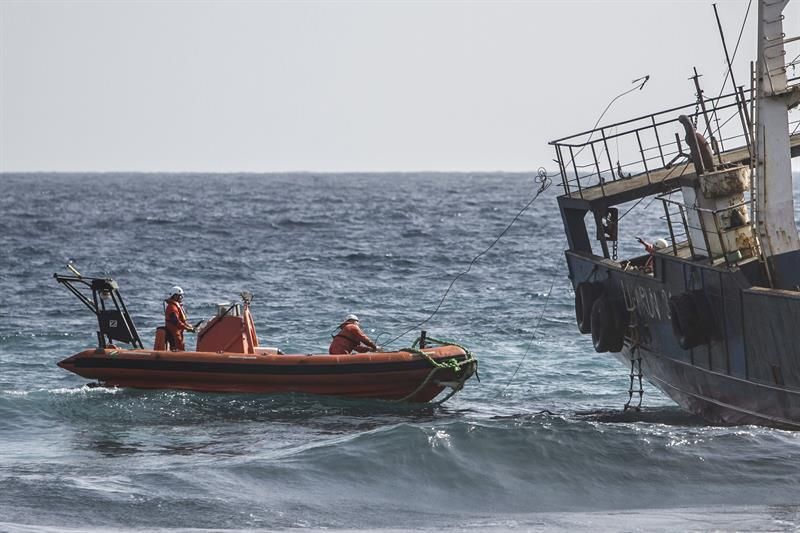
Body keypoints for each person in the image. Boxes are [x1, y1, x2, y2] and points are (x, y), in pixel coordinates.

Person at [164, 286, 194, 351]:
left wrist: (189, 326)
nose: (181, 298)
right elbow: (176, 322)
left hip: (178, 334)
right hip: (174, 334)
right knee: (178, 348)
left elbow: (182, 321)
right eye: (180, 296)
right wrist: (187, 328)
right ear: (175, 296)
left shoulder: (176, 306)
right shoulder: (172, 308)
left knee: (181, 347)